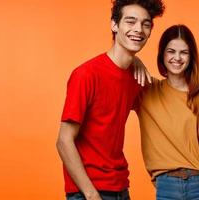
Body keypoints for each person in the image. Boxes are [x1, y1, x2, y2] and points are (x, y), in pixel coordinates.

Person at [56, 1, 165, 200]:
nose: (138, 29)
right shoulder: (86, 75)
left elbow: (166, 108)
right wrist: (90, 194)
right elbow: (64, 141)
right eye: (130, 21)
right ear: (114, 25)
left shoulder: (136, 78)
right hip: (88, 191)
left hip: (121, 188)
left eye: (145, 24)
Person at [135, 25, 199, 200]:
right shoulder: (147, 91)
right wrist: (135, 61)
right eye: (171, 51)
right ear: (162, 54)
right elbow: (120, 66)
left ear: (191, 56)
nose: (177, 58)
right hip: (166, 186)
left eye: (184, 52)